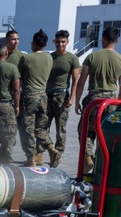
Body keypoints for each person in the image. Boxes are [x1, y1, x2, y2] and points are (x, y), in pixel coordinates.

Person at [73, 27, 121, 173]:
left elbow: (82, 81)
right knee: (107, 133)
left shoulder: (92, 57)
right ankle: (100, 163)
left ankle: (88, 157)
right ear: (117, 40)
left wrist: (77, 101)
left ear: (103, 39)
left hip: (94, 100)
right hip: (111, 101)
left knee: (86, 132)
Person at [17, 29, 55, 167]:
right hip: (43, 96)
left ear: (33, 43)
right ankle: (50, 147)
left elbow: (19, 78)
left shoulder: (26, 58)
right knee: (40, 128)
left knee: (27, 128)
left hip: (29, 96)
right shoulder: (49, 57)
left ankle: (30, 158)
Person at [45, 30, 81, 168]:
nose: (60, 44)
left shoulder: (72, 59)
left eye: (63, 42)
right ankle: (48, 151)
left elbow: (75, 80)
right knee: (43, 127)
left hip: (62, 96)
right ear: (54, 42)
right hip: (47, 95)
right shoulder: (50, 57)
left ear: (67, 42)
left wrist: (72, 98)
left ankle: (58, 154)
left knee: (61, 129)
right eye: (58, 41)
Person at [0, 42, 21, 166]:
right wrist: (17, 106)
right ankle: (5, 160)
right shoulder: (12, 68)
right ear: (6, 53)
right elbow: (16, 89)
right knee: (8, 135)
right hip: (5, 105)